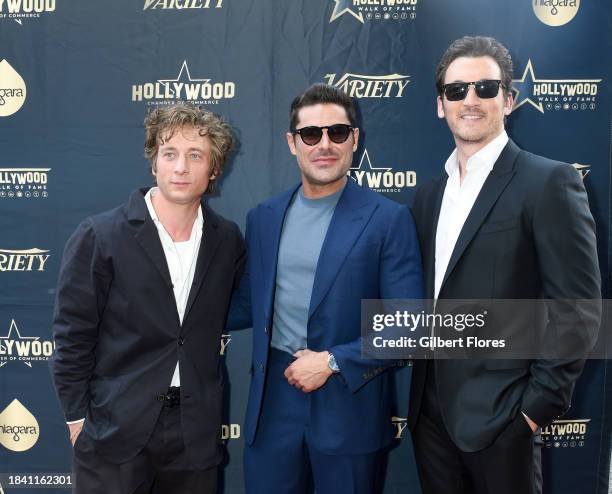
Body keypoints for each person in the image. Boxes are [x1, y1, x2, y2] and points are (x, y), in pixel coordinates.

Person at [407, 36, 601, 494]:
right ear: (441, 105)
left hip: (504, 417)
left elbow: (577, 308)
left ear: (508, 100)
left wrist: (533, 410)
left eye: (485, 88)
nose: (470, 100)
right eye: (457, 91)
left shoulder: (549, 181)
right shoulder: (429, 196)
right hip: (429, 416)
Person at [228, 83, 424, 493]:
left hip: (350, 408)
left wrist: (333, 361)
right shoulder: (263, 218)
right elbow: (243, 304)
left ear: (354, 138)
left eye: (337, 132)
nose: (324, 144)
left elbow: (409, 325)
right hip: (272, 410)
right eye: (311, 134)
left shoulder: (388, 219)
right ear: (292, 142)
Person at [50, 103, 245, 494]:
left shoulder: (227, 240)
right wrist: (76, 417)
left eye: (196, 155)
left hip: (195, 431)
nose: (181, 167)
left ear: (214, 168)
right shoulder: (101, 235)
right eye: (169, 153)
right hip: (115, 428)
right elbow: (72, 334)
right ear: (154, 162)